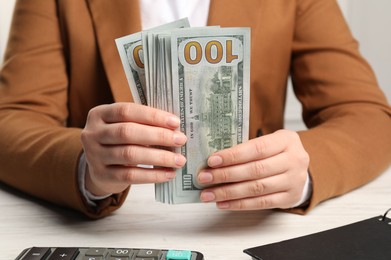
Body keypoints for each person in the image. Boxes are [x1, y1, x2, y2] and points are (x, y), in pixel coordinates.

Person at [0, 0, 390, 219]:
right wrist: (84, 165)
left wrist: (303, 172)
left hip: (240, 223)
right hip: (110, 225)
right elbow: (11, 117)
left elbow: (368, 116)